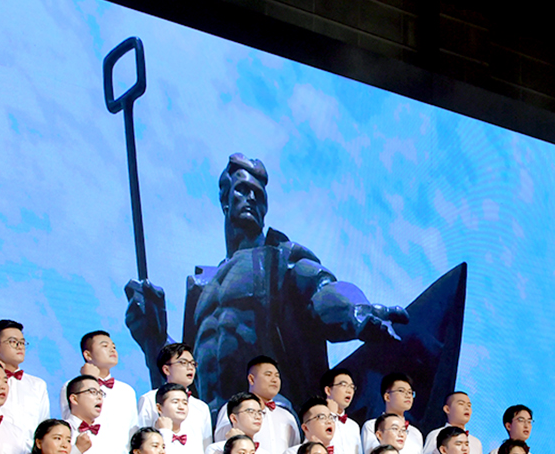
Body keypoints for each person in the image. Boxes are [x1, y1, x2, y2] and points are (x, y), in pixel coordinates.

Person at [153, 153, 407, 407]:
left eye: (258, 195)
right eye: (242, 190)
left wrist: (356, 311)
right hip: (212, 419)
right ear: (225, 200)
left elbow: (322, 291)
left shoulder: (281, 257)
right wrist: (152, 340)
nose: (251, 198)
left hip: (271, 412)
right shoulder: (200, 287)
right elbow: (184, 378)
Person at [213, 355, 300, 454]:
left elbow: (294, 452)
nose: (274, 380)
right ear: (251, 379)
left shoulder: (287, 416)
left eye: (277, 376)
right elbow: (221, 445)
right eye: (268, 375)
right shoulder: (234, 407)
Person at [136, 343, 213, 452]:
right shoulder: (149, 400)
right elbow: (142, 440)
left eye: (192, 363)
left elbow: (206, 446)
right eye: (183, 363)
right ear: (166, 369)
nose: (190, 367)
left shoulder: (201, 407)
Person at [69, 330, 139, 445]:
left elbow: (133, 430)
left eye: (114, 347)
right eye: (105, 346)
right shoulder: (72, 387)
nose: (112, 350)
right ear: (88, 355)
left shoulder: (126, 391)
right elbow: (71, 424)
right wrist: (89, 379)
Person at [362, 372, 426, 454]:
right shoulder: (371, 426)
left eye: (410, 392)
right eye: (401, 391)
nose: (408, 396)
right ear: (387, 396)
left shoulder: (415, 433)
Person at [421, 390, 484, 454]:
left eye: (469, 405)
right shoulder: (435, 435)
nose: (466, 408)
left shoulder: (476, 442)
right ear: (447, 409)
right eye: (461, 404)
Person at [323, 367, 364, 454]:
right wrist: (331, 415)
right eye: (343, 385)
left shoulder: (353, 426)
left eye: (352, 387)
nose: (349, 391)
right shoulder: (318, 420)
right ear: (328, 390)